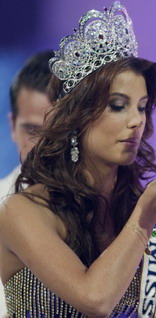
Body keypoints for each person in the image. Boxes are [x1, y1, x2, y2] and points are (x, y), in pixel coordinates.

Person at [0, 2, 156, 317]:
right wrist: (146, 212)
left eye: (141, 106)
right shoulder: (21, 211)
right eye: (117, 105)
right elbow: (95, 300)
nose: (136, 121)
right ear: (78, 116)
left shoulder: (132, 208)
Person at [0, 50, 53, 317]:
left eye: (55, 131)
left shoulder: (112, 206)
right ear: (12, 126)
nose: (43, 147)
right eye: (32, 131)